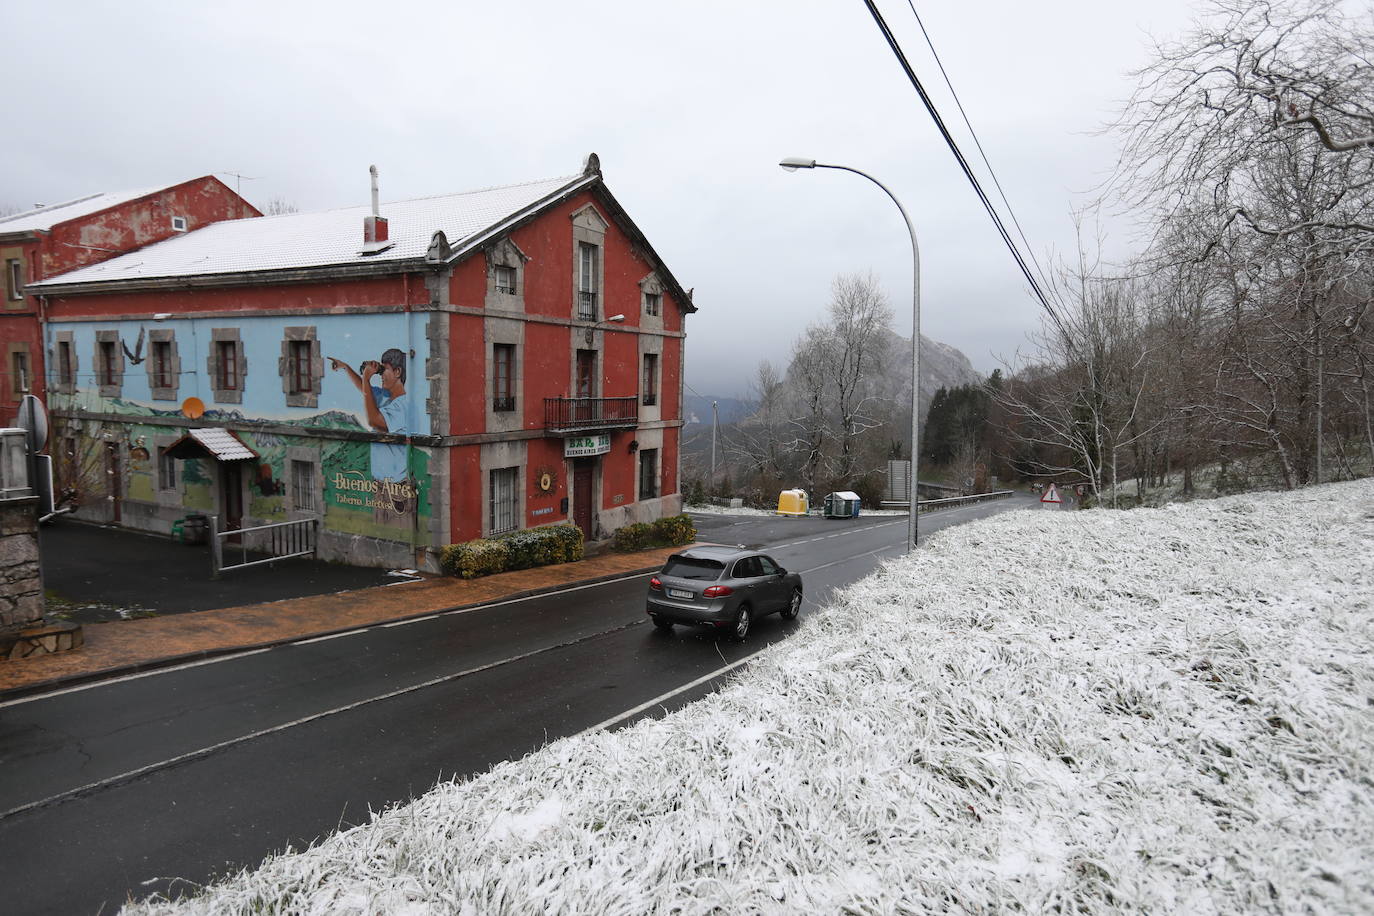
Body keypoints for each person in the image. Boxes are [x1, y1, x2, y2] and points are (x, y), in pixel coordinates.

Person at [328, 348, 408, 481]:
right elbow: (365, 390)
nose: (381, 375)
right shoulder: (386, 397)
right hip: (381, 483)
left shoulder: (404, 405)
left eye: (384, 370)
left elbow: (374, 421)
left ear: (397, 372)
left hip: (397, 485)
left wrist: (366, 377)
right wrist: (346, 367)